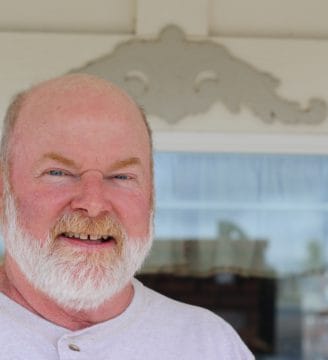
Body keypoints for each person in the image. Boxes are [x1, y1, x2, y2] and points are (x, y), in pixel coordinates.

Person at [0, 74, 254, 359]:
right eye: (58, 173)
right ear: (3, 191)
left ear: (152, 195)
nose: (94, 204)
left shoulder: (208, 344)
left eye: (122, 176)